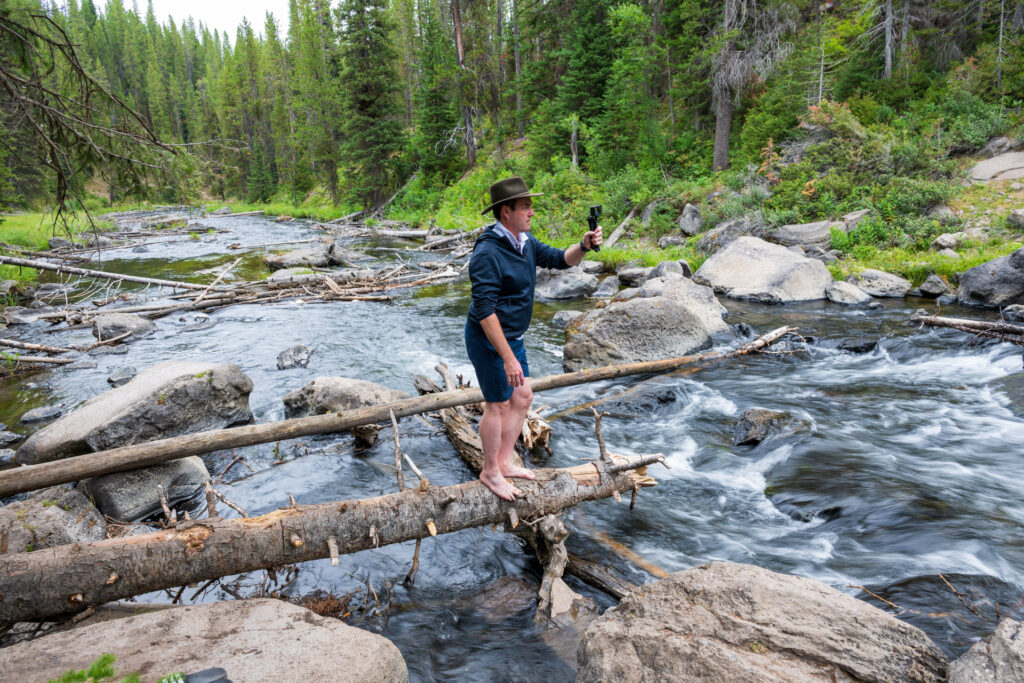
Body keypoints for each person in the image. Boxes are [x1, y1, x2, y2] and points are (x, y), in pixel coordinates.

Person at [465, 176, 602, 500]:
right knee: (497, 404)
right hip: (488, 338)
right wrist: (508, 358)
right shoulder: (487, 253)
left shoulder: (524, 241)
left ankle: (504, 462)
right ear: (505, 213)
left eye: (530, 206)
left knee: (523, 396)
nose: (531, 212)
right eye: (525, 207)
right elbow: (485, 311)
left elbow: (558, 259)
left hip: (513, 335)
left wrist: (582, 246)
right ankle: (490, 472)